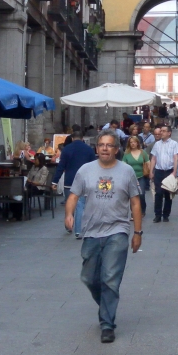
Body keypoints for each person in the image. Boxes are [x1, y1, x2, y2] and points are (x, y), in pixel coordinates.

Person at [64, 131, 143, 343]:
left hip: (117, 230)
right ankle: (106, 305)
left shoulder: (126, 171)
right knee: (89, 278)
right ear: (96, 148)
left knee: (110, 279)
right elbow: (73, 195)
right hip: (91, 231)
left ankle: (107, 324)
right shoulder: (85, 170)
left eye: (109, 145)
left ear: (116, 149)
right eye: (101, 145)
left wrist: (137, 232)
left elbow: (135, 202)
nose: (105, 148)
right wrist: (69, 214)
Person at [53, 134, 97, 238]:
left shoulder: (66, 149)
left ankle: (68, 225)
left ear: (72, 139)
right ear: (82, 138)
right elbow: (94, 166)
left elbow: (61, 166)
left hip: (69, 180)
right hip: (84, 181)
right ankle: (78, 230)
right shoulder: (89, 149)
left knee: (69, 203)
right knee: (80, 205)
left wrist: (55, 181)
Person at [150, 124, 178, 223]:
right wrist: (151, 171)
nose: (161, 133)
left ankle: (166, 214)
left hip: (169, 171)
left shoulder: (174, 144)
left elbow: (176, 158)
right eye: (161, 131)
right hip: (159, 171)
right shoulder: (157, 144)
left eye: (163, 131)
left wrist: (175, 172)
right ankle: (157, 215)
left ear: (169, 133)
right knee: (158, 193)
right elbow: (153, 158)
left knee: (168, 193)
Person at [122, 135, 151, 217]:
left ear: (137, 143)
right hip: (130, 178)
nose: (133, 144)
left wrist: (151, 172)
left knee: (141, 194)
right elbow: (123, 165)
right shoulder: (127, 154)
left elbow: (148, 163)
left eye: (134, 142)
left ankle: (142, 210)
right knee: (132, 195)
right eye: (131, 142)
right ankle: (133, 212)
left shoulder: (142, 152)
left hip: (141, 176)